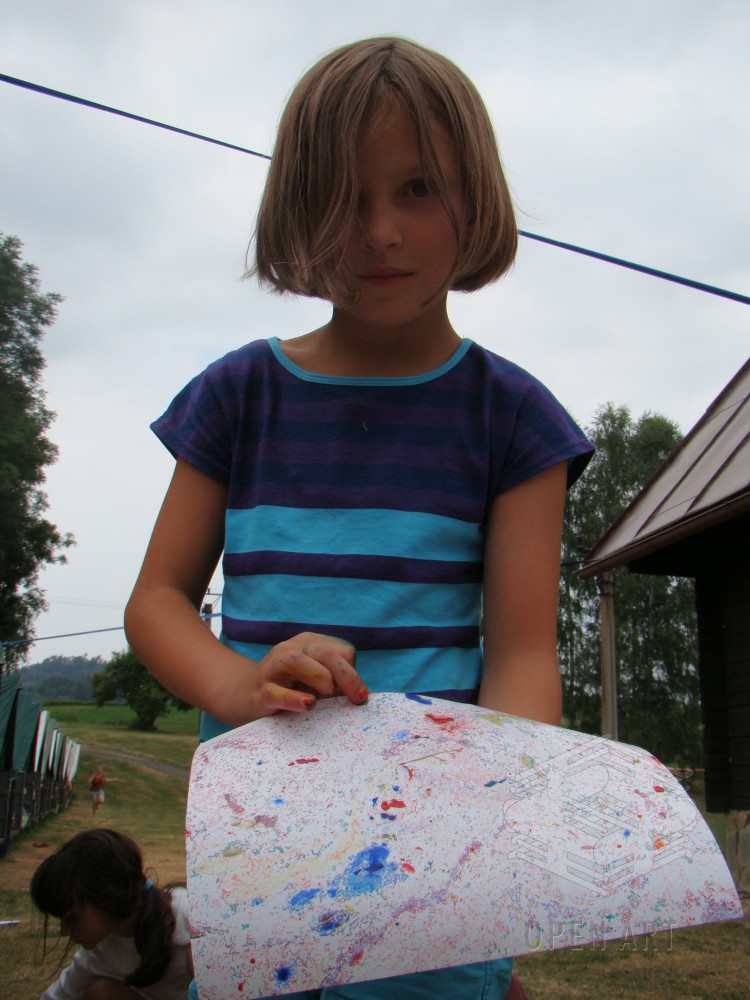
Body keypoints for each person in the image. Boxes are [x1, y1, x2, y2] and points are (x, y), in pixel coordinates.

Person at [124, 36, 593, 1000]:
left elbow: (521, 653)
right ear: (297, 208)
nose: (379, 231)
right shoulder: (239, 394)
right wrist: (243, 685)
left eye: (418, 189)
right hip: (263, 849)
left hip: (437, 858)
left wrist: (491, 795)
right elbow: (158, 601)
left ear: (477, 201)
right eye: (345, 196)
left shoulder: (515, 418)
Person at [30, 828, 193, 999]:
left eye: (71, 918)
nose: (64, 931)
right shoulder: (101, 950)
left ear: (107, 896)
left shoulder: (191, 920)